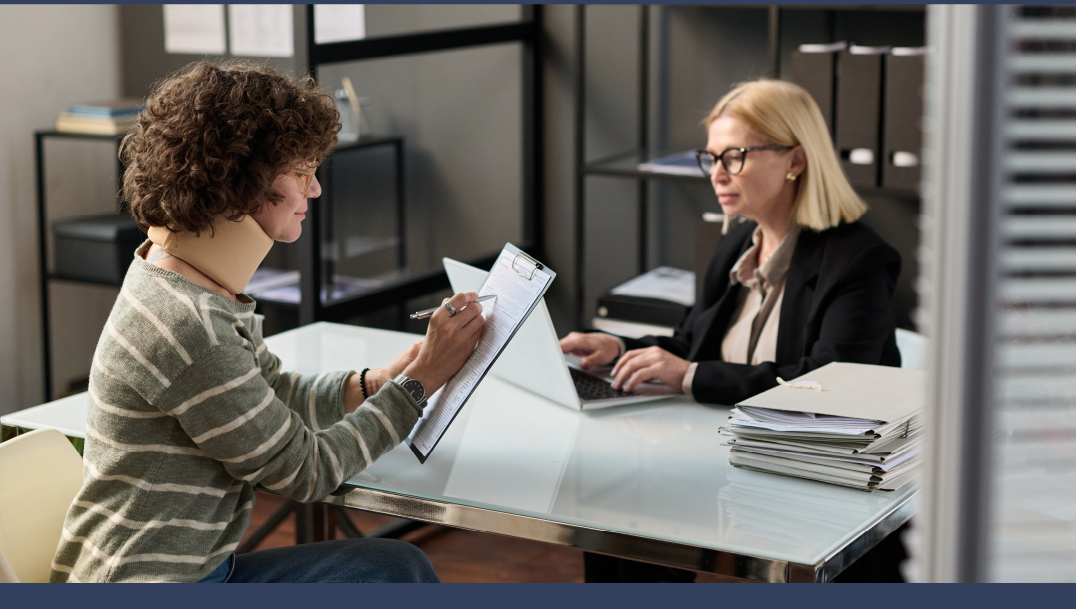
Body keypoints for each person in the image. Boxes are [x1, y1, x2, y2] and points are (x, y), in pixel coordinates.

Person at [50, 61, 484, 583]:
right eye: (302, 173)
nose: (316, 191)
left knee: (399, 567)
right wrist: (420, 385)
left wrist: (379, 383)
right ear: (241, 183)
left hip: (197, 570)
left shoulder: (180, 279)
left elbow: (269, 392)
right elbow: (305, 471)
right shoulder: (190, 325)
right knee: (397, 574)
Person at [561, 79, 903, 582]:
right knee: (615, 520)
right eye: (712, 158)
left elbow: (829, 392)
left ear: (795, 160)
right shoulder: (738, 243)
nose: (717, 175)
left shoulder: (859, 261)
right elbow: (691, 346)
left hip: (822, 484)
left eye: (735, 156)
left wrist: (691, 377)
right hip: (726, 458)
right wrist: (619, 347)